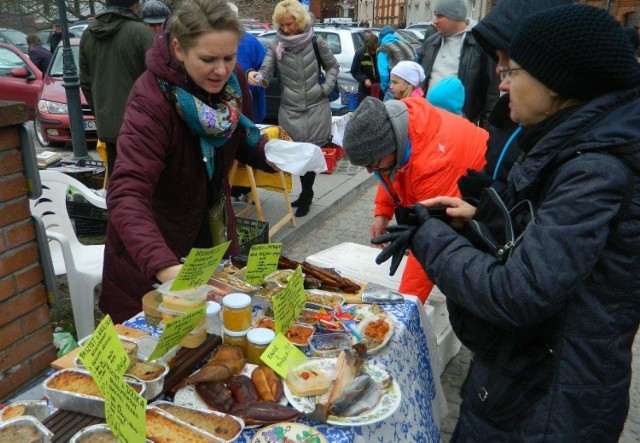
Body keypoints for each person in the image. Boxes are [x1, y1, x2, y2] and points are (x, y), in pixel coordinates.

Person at [389, 4, 640, 440]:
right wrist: (477, 222)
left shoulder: (594, 170)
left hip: (551, 401)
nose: (502, 85)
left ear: (557, 85)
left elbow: (518, 291)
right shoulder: (567, 145)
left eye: (513, 71)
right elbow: (540, 241)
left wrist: (429, 237)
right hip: (527, 380)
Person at [100, 0, 274, 323]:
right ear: (179, 49)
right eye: (208, 59)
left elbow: (242, 139)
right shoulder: (151, 99)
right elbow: (127, 194)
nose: (221, 70)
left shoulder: (232, 83)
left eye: (229, 57)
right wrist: (166, 267)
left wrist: (276, 155)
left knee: (216, 337)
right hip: (153, 251)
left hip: (212, 237)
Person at [342, 96, 487, 302]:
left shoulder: (433, 164)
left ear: (391, 147)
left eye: (372, 164)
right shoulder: (397, 123)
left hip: (480, 193)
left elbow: (433, 236)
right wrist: (382, 211)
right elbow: (390, 170)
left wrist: (406, 303)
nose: (369, 171)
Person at [456, 0, 572, 200]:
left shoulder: (581, 154)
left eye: (509, 64)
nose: (501, 79)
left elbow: (538, 216)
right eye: (497, 59)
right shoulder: (507, 117)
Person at [248, 0, 338, 217]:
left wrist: (325, 89)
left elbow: (332, 66)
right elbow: (267, 70)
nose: (286, 30)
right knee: (298, 153)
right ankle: (304, 192)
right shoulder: (277, 45)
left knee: (311, 150)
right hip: (290, 107)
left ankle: (307, 195)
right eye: (282, 25)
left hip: (316, 106)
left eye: (289, 24)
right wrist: (258, 78)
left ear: (299, 21)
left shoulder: (316, 42)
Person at [79, 0, 154, 178]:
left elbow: (85, 83)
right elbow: (158, 80)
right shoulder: (141, 33)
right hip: (141, 127)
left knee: (119, 182)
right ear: (134, 5)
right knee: (144, 183)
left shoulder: (88, 34)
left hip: (109, 126)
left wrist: (101, 111)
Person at [420, 0, 499, 127]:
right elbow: (421, 79)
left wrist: (486, 132)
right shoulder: (431, 42)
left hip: (461, 123)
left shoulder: (481, 45)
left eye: (439, 16)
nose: (434, 21)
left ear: (454, 16)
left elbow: (491, 94)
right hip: (428, 119)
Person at [376, 26, 416, 101]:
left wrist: (385, 88)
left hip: (395, 87)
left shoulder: (383, 50)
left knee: (388, 110)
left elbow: (383, 74)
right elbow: (416, 64)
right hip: (410, 87)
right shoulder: (408, 46)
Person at [350, 32, 380, 103]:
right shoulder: (359, 54)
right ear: (366, 47)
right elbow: (354, 71)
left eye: (374, 50)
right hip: (364, 90)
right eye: (370, 50)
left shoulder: (382, 52)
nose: (373, 52)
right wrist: (364, 79)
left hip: (380, 89)